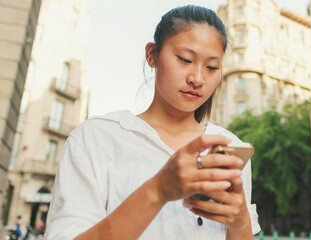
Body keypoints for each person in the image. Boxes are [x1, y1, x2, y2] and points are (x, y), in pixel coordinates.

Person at [44, 5, 260, 240]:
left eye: (211, 67)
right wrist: (158, 190)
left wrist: (239, 223)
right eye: (185, 59)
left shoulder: (228, 149)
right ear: (152, 55)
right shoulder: (94, 139)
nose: (197, 78)